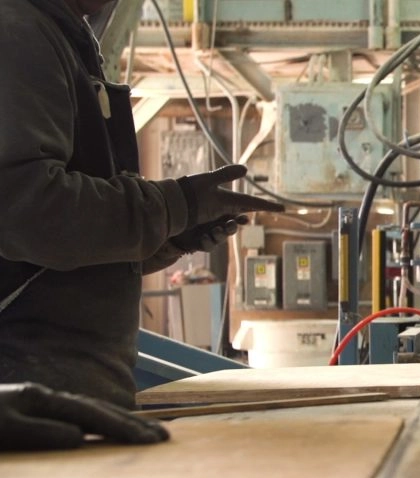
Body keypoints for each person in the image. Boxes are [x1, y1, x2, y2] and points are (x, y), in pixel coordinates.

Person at [0, 0, 284, 449]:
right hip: (26, 404)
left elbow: (52, 260)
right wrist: (174, 205)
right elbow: (27, 211)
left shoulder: (63, 36)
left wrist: (163, 238)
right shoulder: (17, 32)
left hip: (68, 398)